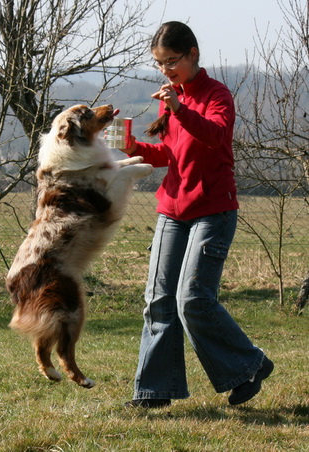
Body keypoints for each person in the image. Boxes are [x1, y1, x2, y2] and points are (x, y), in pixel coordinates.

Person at [120, 21, 274, 408]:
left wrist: (179, 108)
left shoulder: (216, 95)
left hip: (213, 211)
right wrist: (128, 146)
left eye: (172, 61)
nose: (166, 70)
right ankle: (155, 391)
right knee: (158, 298)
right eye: (159, 64)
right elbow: (170, 156)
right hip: (172, 209)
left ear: (193, 55)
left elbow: (215, 136)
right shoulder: (172, 98)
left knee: (192, 298)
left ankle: (249, 364)